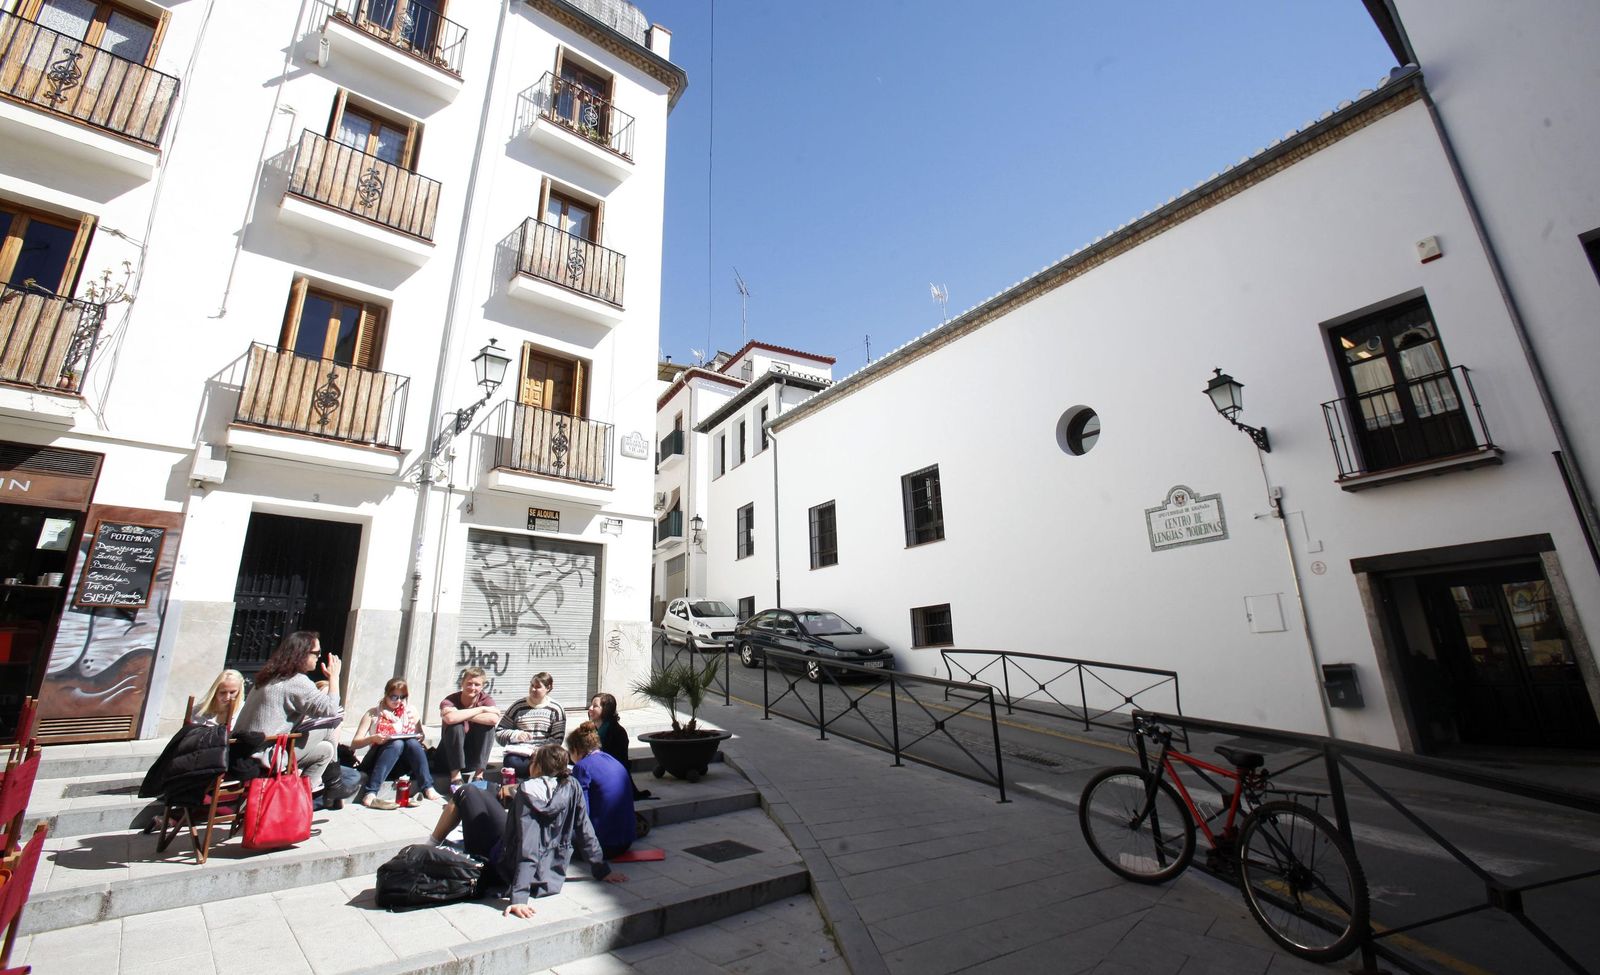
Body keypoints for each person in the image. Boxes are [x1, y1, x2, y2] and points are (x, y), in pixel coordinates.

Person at [426, 744, 626, 917]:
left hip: (508, 868)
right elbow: (585, 829)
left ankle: (431, 844)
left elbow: (528, 844)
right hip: (551, 871)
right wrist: (601, 869)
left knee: (466, 791)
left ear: (538, 766)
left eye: (532, 761)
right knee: (480, 794)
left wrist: (519, 896)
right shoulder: (572, 785)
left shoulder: (528, 791)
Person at [232, 631, 361, 810]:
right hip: (265, 754)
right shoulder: (296, 681)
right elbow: (331, 710)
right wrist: (334, 678)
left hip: (243, 749)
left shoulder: (269, 676)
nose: (318, 657)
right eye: (316, 653)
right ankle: (334, 784)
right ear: (302, 654)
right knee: (331, 725)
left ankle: (299, 803)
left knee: (326, 750)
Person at [352, 678, 441, 809]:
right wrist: (373, 739)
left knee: (412, 743)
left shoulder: (410, 711)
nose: (398, 701)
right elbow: (354, 743)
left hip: (402, 763)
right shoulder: (373, 713)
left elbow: (420, 735)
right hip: (379, 760)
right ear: (386, 694)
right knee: (396, 743)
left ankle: (427, 786)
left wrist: (419, 736)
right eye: (394, 697)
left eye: (402, 697)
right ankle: (371, 792)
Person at [566, 721, 633, 859]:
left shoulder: (582, 767)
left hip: (602, 845)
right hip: (627, 840)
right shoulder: (611, 759)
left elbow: (581, 812)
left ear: (576, 749)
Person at [494, 672, 565, 780]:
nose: (533, 689)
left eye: (537, 687)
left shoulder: (556, 709)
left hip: (544, 755)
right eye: (531, 685)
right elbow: (499, 732)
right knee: (511, 761)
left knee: (556, 762)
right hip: (521, 755)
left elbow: (558, 739)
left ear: (548, 688)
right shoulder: (518, 706)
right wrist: (516, 735)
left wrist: (540, 750)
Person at [439, 667, 501, 789]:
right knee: (456, 726)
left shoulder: (486, 699)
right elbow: (450, 719)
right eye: (469, 683)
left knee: (488, 728)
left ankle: (479, 775)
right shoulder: (450, 700)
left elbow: (493, 720)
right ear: (462, 683)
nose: (472, 687)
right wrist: (482, 709)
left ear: (482, 686)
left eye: (477, 684)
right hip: (448, 757)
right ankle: (455, 777)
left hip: (472, 759)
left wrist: (461, 714)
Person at [586, 692, 650, 800]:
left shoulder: (616, 732)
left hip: (612, 778)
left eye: (595, 706)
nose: (590, 708)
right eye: (591, 705)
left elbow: (612, 761)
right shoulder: (592, 729)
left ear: (606, 710)